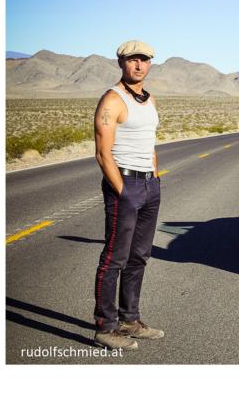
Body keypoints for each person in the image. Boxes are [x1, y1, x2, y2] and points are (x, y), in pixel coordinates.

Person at [92, 40, 164, 350]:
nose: (138, 65)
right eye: (132, 60)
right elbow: (102, 153)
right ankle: (105, 326)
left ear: (150, 64)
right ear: (121, 63)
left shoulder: (149, 100)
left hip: (149, 185)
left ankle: (129, 319)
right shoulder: (112, 100)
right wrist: (123, 193)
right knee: (114, 258)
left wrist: (154, 177)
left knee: (139, 257)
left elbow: (149, 143)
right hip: (125, 184)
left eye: (143, 60)